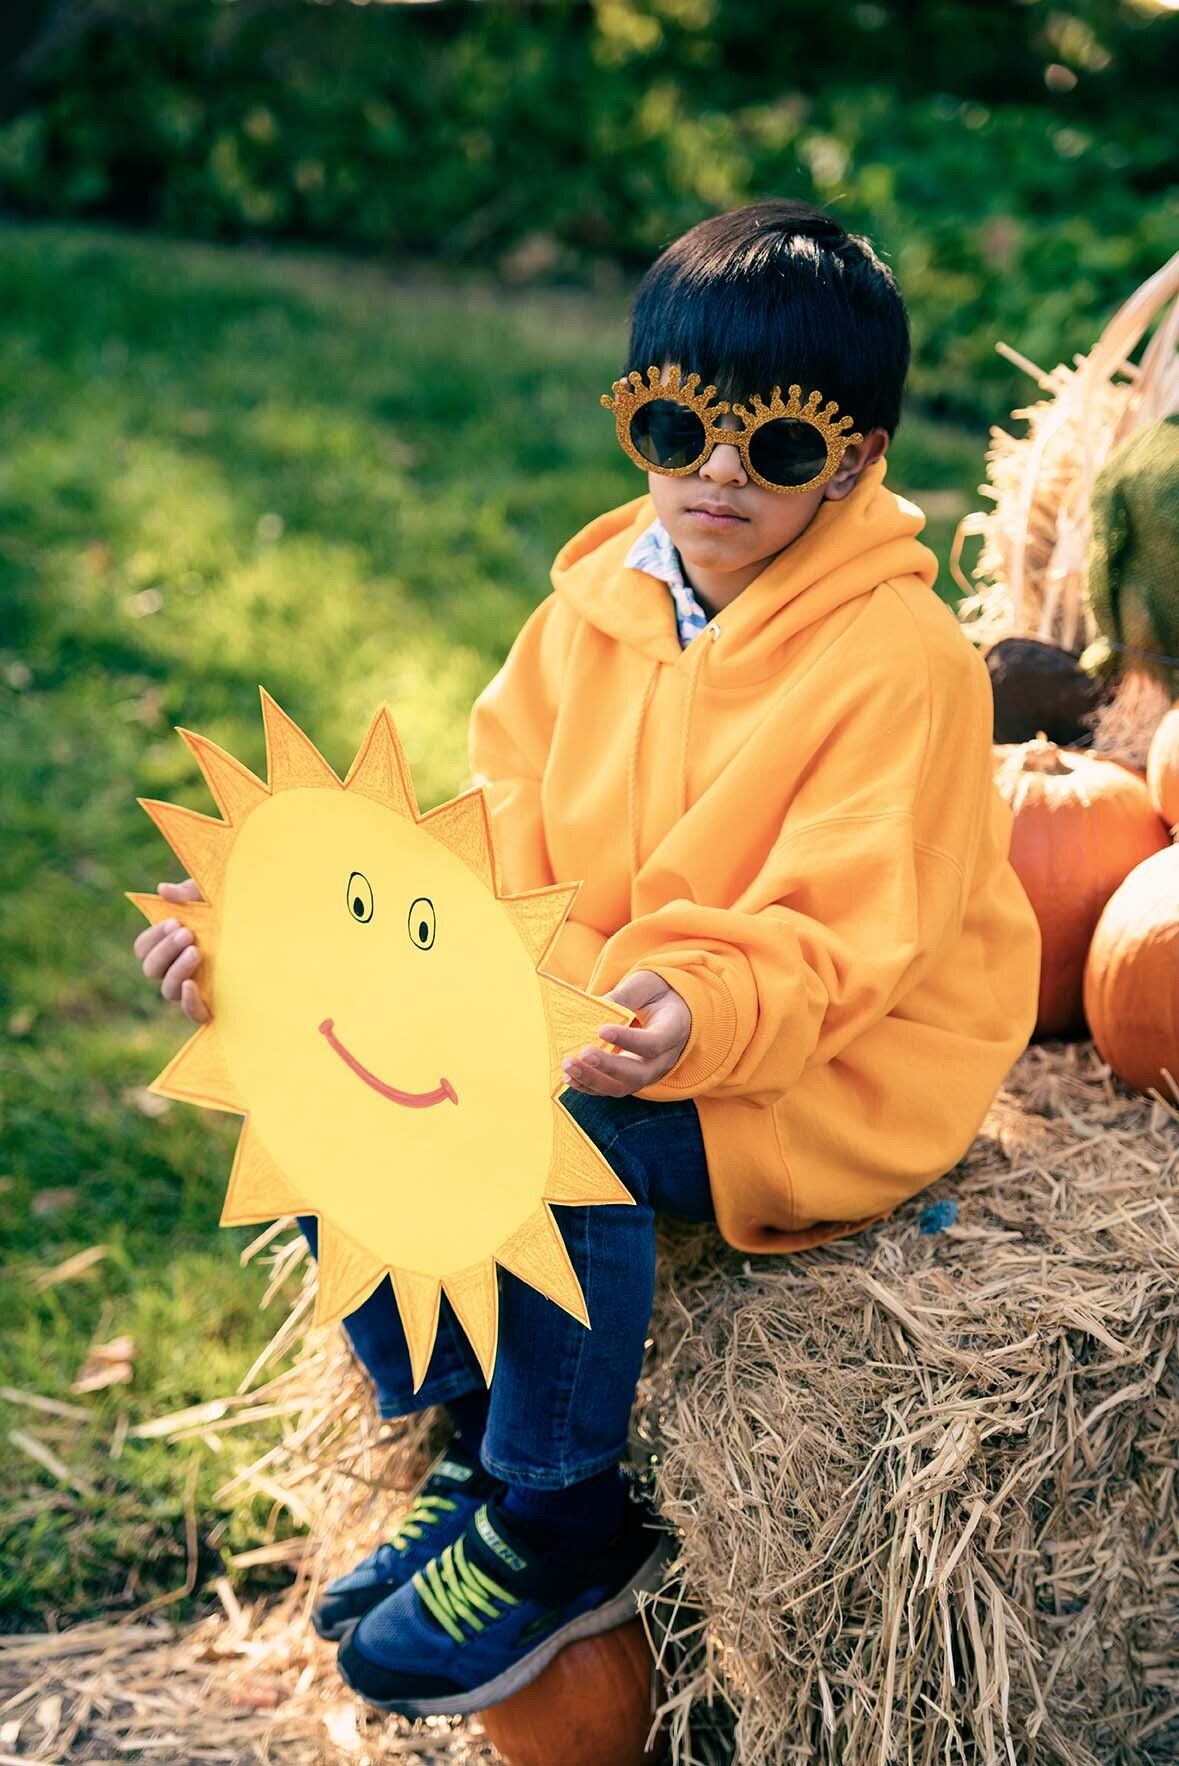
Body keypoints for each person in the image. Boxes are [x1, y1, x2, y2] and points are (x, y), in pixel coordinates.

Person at [132, 198, 1041, 1719]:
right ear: (639, 415)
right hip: (599, 999)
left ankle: (564, 1518)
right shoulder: (595, 608)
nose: (719, 475)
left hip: (825, 1061)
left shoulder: (905, 668)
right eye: (680, 427)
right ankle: (473, 1440)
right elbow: (490, 849)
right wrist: (280, 950)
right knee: (335, 1080)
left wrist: (694, 1004)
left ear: (862, 459)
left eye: (784, 448)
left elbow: (840, 934)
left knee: (566, 1146)